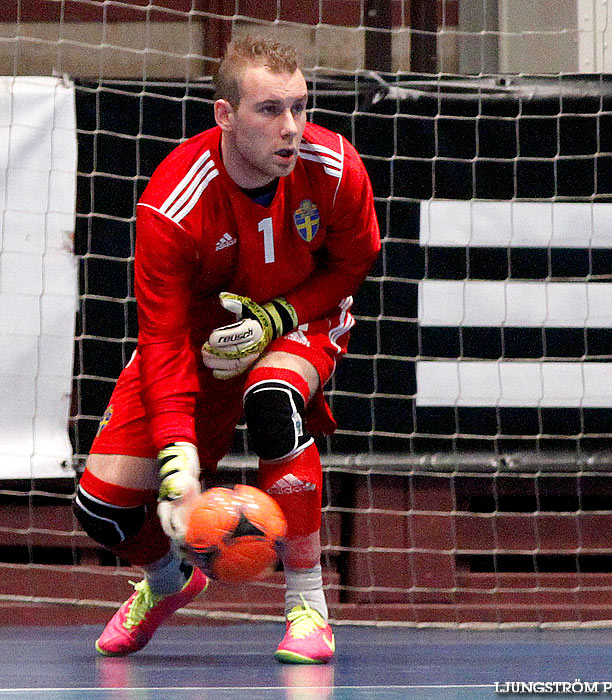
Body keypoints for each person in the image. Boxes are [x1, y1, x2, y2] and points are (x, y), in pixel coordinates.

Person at [72, 34, 381, 664]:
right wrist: (178, 459)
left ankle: (308, 607)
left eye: (300, 106)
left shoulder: (336, 167)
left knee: (274, 398)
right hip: (201, 342)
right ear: (224, 115)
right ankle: (167, 580)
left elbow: (352, 266)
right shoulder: (172, 204)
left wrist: (279, 317)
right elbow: (161, 338)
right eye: (270, 111)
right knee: (102, 508)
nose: (292, 128)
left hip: (303, 316)